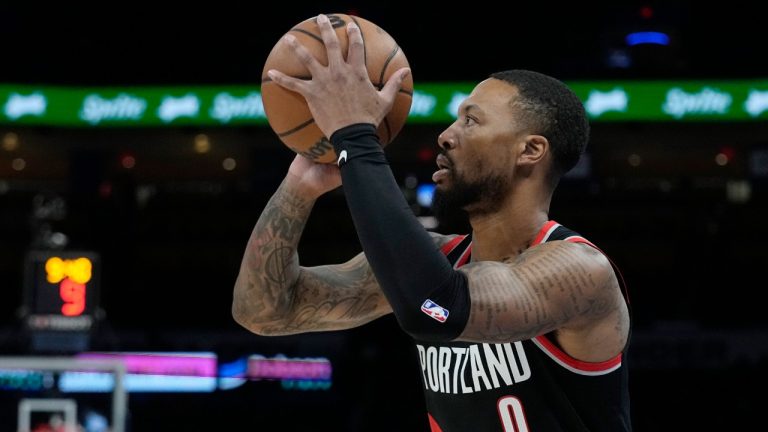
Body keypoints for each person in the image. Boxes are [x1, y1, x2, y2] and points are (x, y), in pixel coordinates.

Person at [233, 14, 631, 432]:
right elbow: (263, 313)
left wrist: (355, 138)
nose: (446, 134)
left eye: (471, 120)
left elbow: (438, 308)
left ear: (530, 149)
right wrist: (299, 186)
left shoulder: (580, 272)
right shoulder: (440, 258)